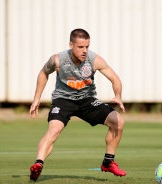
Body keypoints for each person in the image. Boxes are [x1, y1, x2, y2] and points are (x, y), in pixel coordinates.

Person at [29, 28, 126, 181]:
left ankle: (108, 162)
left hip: (86, 100)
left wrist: (118, 95)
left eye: (87, 46)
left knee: (118, 121)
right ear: (71, 45)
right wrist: (36, 99)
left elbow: (115, 79)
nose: (84, 50)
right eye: (80, 47)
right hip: (63, 100)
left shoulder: (95, 60)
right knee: (54, 129)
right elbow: (43, 73)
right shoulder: (57, 60)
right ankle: (38, 164)